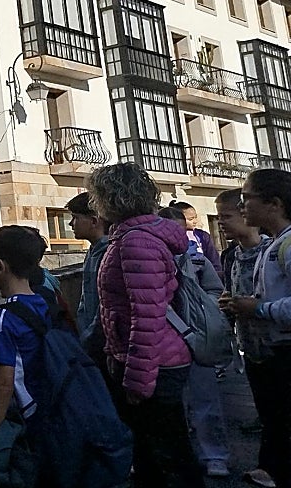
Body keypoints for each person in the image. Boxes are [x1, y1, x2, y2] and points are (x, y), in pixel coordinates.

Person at [88, 162, 205, 488]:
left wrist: (138, 381)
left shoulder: (136, 242)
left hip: (154, 364)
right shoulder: (133, 236)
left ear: (109, 198)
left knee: (168, 455)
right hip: (151, 359)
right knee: (157, 454)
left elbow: (147, 313)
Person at [219, 169, 291, 488]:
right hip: (269, 351)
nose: (243, 205)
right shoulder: (274, 245)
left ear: (273, 204)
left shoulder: (286, 246)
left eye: (247, 198)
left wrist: (258, 308)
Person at [157, 204, 230, 476]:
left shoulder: (198, 260)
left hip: (196, 333)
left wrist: (204, 308)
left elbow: (214, 288)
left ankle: (215, 454)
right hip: (166, 336)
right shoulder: (152, 258)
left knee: (205, 396)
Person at [0, 226, 53, 454]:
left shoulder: (4, 315)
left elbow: (3, 382)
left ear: (0, 266)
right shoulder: (45, 301)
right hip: (50, 404)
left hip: (25, 412)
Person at [68, 192, 110, 366]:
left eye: (75, 218)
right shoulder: (93, 251)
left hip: (103, 344)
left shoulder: (109, 252)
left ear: (94, 221)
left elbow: (106, 304)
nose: (71, 224)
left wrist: (89, 337)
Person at [172, 199, 225, 280]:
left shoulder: (202, 236)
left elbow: (214, 259)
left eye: (195, 217)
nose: (195, 221)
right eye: (190, 219)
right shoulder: (172, 237)